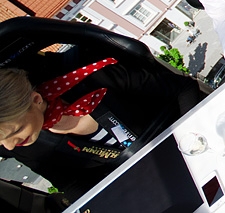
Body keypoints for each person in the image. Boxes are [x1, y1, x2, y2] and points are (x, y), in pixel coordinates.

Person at [0, 63, 199, 207]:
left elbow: (182, 88)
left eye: (16, 131)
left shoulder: (95, 79)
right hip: (153, 188)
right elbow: (72, 185)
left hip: (193, 145)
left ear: (35, 99)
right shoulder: (27, 148)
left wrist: (191, 135)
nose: (9, 146)